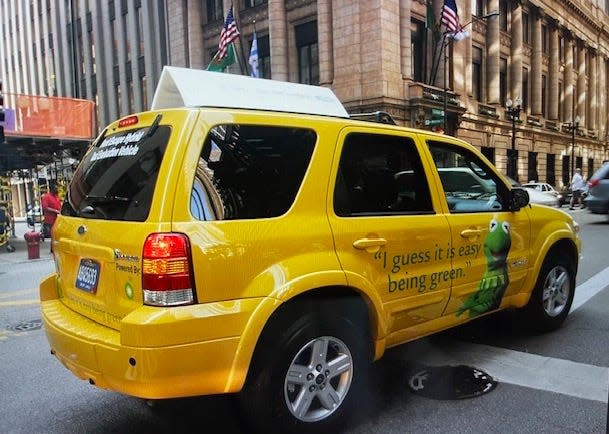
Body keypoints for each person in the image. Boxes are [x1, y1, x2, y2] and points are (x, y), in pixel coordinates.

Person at [41, 180, 62, 251]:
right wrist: (55, 211)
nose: (57, 190)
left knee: (57, 233)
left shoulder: (56, 197)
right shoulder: (46, 197)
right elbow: (45, 207)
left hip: (58, 218)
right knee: (53, 233)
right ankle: (53, 248)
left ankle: (54, 248)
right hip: (50, 219)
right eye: (55, 189)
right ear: (52, 189)